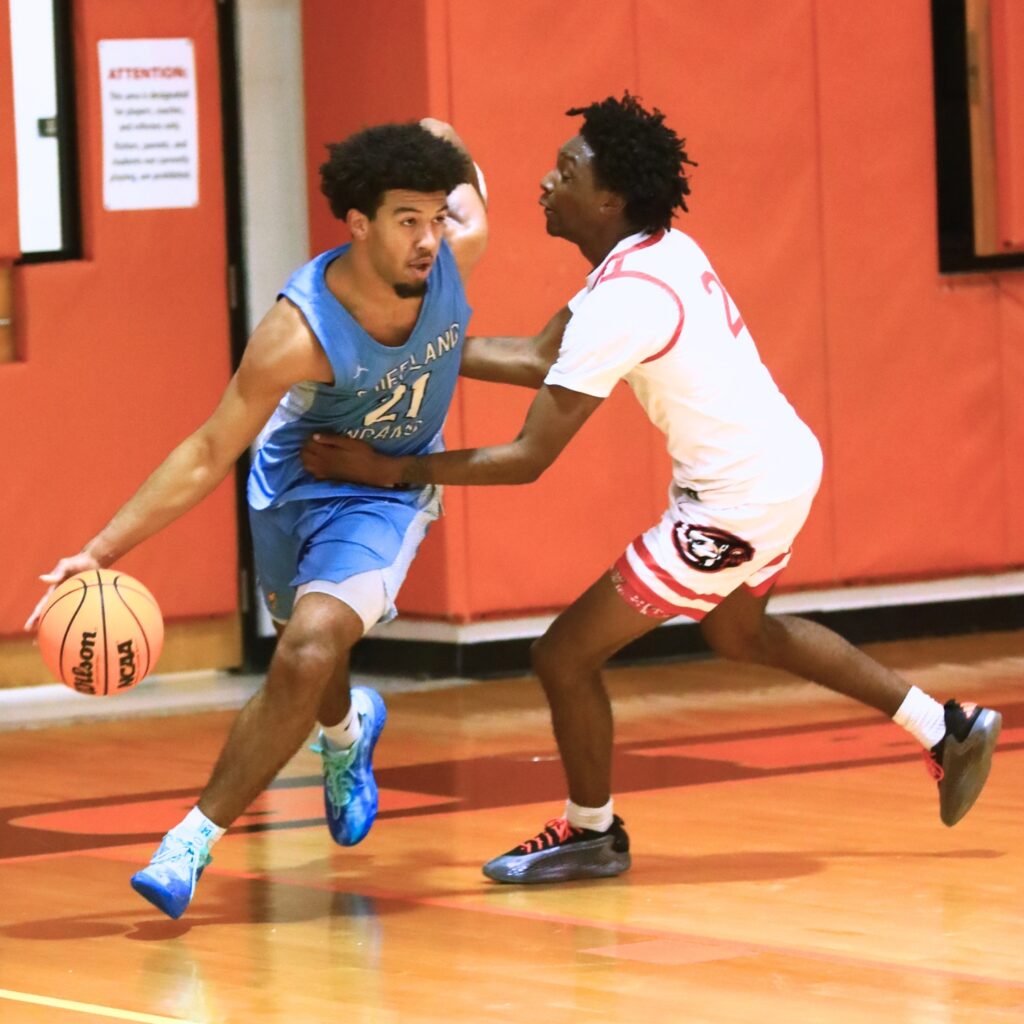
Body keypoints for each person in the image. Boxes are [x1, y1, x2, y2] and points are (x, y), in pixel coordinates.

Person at [299, 93, 1003, 885]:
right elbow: (536, 356)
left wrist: (387, 469)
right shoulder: (652, 254)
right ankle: (945, 727)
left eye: (564, 171)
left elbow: (529, 457)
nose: (543, 182)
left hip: (735, 499)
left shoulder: (626, 299)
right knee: (741, 635)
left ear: (608, 197)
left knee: (562, 655)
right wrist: (421, 345)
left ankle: (590, 832)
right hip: (779, 468)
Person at [25, 118, 489, 917]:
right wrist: (99, 549)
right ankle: (346, 733)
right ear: (358, 224)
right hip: (291, 486)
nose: (427, 239)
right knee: (309, 657)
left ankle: (189, 843)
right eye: (406, 221)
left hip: (384, 493)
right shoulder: (296, 331)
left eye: (434, 218)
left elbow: (464, 177)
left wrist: (442, 139)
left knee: (309, 644)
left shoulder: (456, 248)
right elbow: (209, 451)